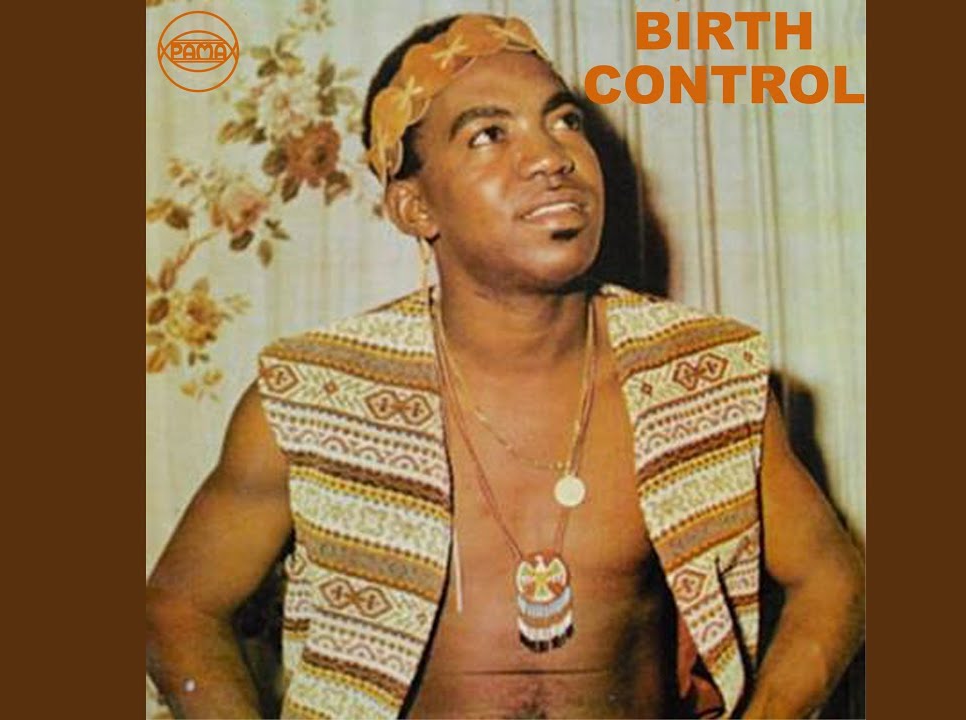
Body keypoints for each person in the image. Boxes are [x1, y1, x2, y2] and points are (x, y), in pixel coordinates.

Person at [146, 13, 864, 719]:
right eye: (489, 134)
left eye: (565, 121)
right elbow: (177, 606)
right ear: (414, 206)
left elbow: (833, 576)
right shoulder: (313, 400)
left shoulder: (702, 379)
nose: (552, 156)